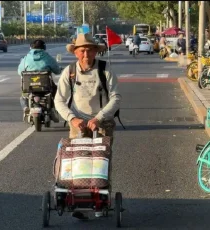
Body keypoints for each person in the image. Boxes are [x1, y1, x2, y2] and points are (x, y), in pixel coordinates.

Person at [54, 33, 121, 220]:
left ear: (95, 52)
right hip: (79, 121)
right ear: (75, 52)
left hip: (103, 121)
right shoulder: (70, 72)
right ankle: (81, 202)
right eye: (82, 51)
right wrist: (72, 118)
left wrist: (99, 118)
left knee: (100, 162)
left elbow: (116, 97)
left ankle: (101, 202)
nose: (86, 54)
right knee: (80, 162)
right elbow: (59, 100)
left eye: (89, 50)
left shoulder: (105, 69)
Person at [17, 39, 61, 119]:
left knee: (23, 96)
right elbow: (57, 71)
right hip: (45, 87)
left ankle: (25, 108)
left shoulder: (25, 58)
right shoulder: (48, 58)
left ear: (31, 48)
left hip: (29, 87)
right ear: (44, 47)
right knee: (56, 93)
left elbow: (20, 72)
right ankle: (53, 109)